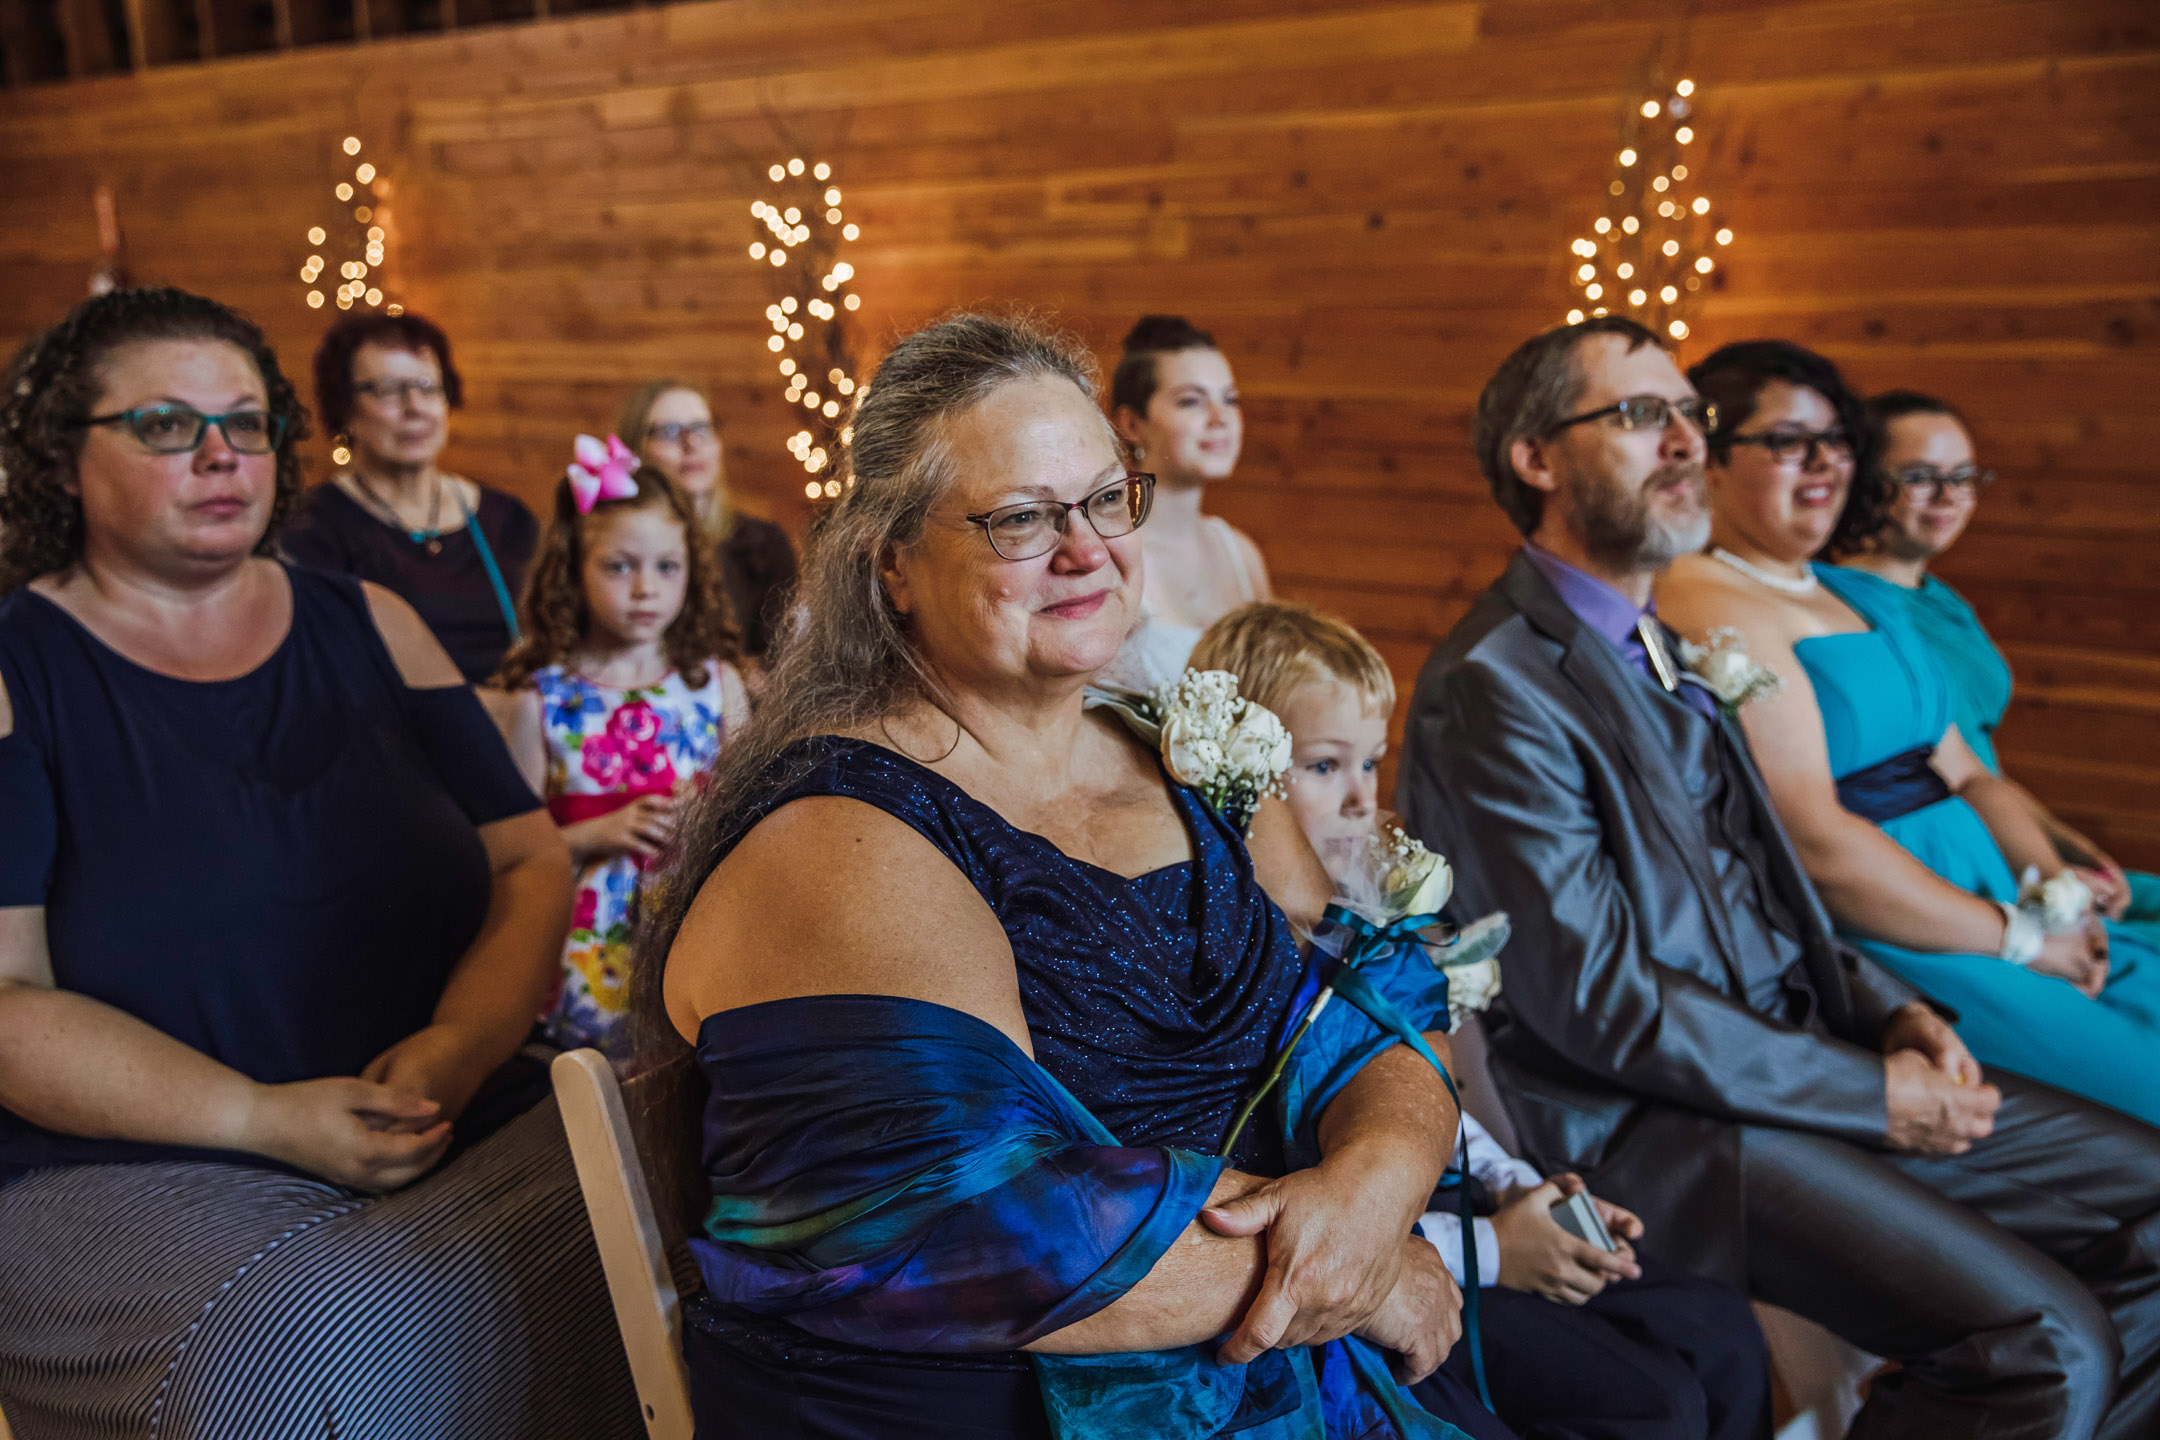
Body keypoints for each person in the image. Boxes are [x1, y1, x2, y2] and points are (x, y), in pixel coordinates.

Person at [631, 313, 1477, 1439]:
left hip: (1247, 1346)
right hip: (990, 1404)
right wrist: (1365, 1274)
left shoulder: (1164, 751)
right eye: (1022, 519)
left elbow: (1358, 1014)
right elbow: (1001, 1232)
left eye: (1106, 499)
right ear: (891, 564)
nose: (1087, 550)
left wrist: (1377, 1182)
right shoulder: (836, 839)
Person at [1397, 316, 2160, 1440]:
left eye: (1689, 418)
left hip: (1796, 1060)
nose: (1684, 443)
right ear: (1536, 458)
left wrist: (1891, 1010)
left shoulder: (1661, 644)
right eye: (1638, 415)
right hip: (1659, 1125)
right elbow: (1599, 1003)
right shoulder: (1495, 684)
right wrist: (1870, 1095)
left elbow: (1768, 896)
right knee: (2046, 1348)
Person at [0, 288, 636, 1435]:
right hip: (136, 1164)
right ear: (60, 461)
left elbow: (531, 864)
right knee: (302, 1350)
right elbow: (4, 1001)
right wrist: (260, 1117)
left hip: (449, 1111)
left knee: (682, 1199)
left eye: (246, 424)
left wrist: (457, 1047)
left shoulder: (373, 620)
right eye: (163, 425)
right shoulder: (20, 669)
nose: (219, 456)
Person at [1194, 600, 1772, 1440]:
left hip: (1466, 1200)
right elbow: (1314, 1188)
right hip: (1396, 1245)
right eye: (1324, 767)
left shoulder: (1374, 918)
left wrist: (1519, 1186)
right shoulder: (1245, 952)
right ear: (1243, 774)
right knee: (1649, 1402)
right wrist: (1502, 1245)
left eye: (1371, 764)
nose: (1362, 798)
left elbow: (1433, 1096)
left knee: (1719, 1327)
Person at [1657, 341, 2160, 1127]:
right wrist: (2019, 941)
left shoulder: (1860, 595)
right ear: (1711, 462)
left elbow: (1966, 770)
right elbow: (1816, 841)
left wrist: (2056, 897)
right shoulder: (1706, 599)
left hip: (1997, 886)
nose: (1823, 463)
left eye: (1837, 441)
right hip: (1902, 927)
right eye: (1789, 441)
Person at [1834, 388, 2160, 947]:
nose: (1949, 497)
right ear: (1866, 482)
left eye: (1963, 477)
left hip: (2012, 827)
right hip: (1954, 854)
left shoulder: (1941, 599)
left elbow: (1980, 768)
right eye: (1920, 477)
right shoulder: (1846, 610)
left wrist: (2067, 843)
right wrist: (2046, 869)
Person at [488, 442, 749, 1067]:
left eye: (667, 567)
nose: (644, 590)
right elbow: (509, 851)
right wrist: (595, 831)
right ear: (573, 568)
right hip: (585, 941)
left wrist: (709, 818)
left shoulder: (715, 686)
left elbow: (755, 815)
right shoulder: (543, 699)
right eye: (619, 567)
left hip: (698, 920)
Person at [282, 310, 539, 683]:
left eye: (428, 387)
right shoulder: (312, 529)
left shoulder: (508, 519)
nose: (414, 408)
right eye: (388, 390)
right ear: (345, 408)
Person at [1096, 314, 1272, 691]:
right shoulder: (1107, 558)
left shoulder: (1241, 554)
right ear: (1131, 424)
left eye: (1230, 399)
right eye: (1192, 401)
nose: (1219, 418)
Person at [618, 378, 799, 667]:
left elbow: (782, 661)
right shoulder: (618, 546)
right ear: (634, 450)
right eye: (670, 431)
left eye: (702, 428)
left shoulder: (765, 545)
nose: (691, 444)